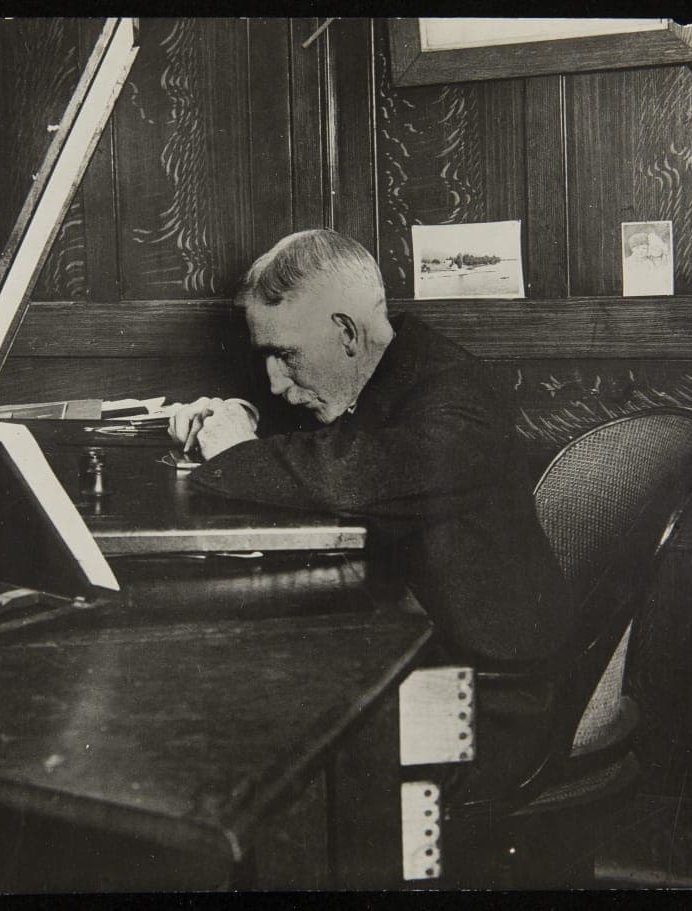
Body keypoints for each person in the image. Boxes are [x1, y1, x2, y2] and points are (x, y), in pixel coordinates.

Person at [167, 229, 574, 806]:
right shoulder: (388, 371)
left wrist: (237, 453)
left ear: (347, 333)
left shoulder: (459, 398)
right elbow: (331, 440)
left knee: (240, 731)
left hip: (486, 706)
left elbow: (352, 472)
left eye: (285, 355)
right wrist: (238, 412)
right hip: (416, 658)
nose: (276, 382)